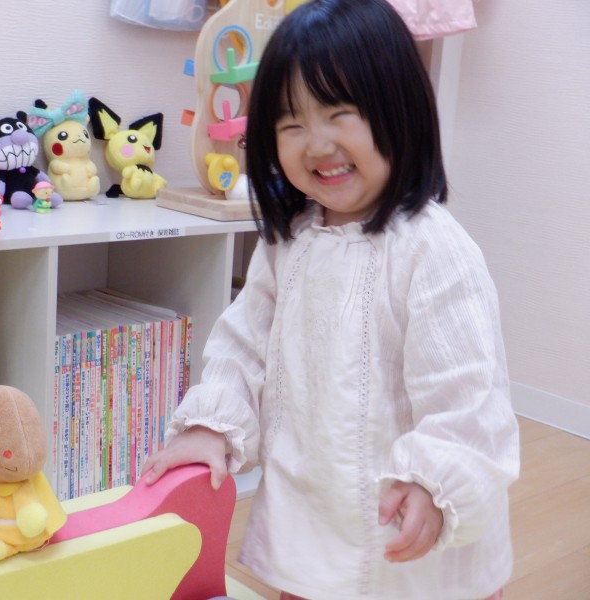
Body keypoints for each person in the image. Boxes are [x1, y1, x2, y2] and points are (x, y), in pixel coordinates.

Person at [142, 1, 520, 598]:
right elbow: (243, 346)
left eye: (340, 113)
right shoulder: (288, 242)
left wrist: (435, 481)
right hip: (312, 518)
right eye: (291, 123)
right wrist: (212, 424)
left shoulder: (433, 250)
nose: (317, 144)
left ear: (400, 111)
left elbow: (468, 396)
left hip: (410, 530)